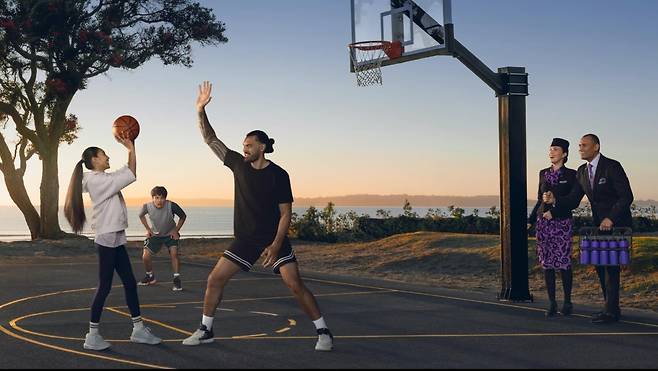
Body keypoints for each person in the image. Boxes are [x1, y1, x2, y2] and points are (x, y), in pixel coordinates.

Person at [182, 81, 333, 351]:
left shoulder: (279, 175)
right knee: (215, 279)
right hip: (245, 240)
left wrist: (276, 244)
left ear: (262, 147)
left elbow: (286, 213)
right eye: (243, 145)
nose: (245, 149)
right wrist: (200, 110)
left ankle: (323, 332)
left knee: (294, 284)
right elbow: (210, 139)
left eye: (249, 145)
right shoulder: (238, 165)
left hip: (273, 239)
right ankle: (206, 330)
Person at [64, 133, 161, 350]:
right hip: (107, 237)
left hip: (114, 236)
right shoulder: (97, 180)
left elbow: (127, 172)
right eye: (103, 154)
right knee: (105, 286)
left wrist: (131, 148)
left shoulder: (101, 179)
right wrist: (130, 148)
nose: (107, 157)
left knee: (128, 282)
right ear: (94, 160)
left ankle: (138, 329)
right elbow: (130, 173)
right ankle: (92, 335)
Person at [543, 134, 634, 323]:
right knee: (601, 267)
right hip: (598, 226)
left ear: (596, 147)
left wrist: (611, 218)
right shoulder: (582, 172)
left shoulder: (612, 166)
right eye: (579, 145)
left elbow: (626, 196)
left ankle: (610, 311)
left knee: (611, 267)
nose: (581, 148)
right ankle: (610, 308)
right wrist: (556, 200)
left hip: (617, 225)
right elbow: (573, 200)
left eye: (584, 145)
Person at [528, 138, 577, 317]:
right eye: (550, 149)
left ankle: (567, 302)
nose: (551, 152)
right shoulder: (542, 173)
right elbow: (540, 200)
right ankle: (552, 303)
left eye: (555, 149)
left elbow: (572, 201)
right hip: (543, 225)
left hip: (562, 224)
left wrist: (555, 212)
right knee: (547, 264)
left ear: (564, 153)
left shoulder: (572, 175)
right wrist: (531, 219)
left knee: (564, 263)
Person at [137, 186, 187, 291]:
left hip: (170, 234)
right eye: (156, 198)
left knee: (174, 254)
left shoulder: (172, 205)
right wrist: (148, 229)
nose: (159, 200)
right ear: (152, 198)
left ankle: (177, 279)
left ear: (165, 198)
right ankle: (150, 276)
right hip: (155, 235)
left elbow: (183, 216)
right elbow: (141, 216)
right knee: (145, 256)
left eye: (162, 198)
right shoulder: (146, 207)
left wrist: (176, 230)